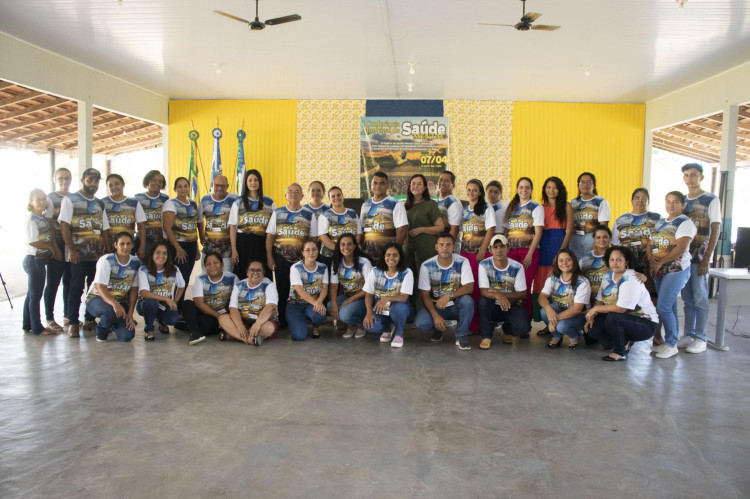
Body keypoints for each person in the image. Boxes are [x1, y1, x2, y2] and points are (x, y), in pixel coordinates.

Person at [58, 167, 110, 338]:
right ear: (83, 181)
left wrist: (108, 252)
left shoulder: (99, 203)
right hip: (78, 255)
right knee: (76, 288)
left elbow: (104, 229)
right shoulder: (70, 200)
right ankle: (73, 322)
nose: (93, 184)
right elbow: (64, 225)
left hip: (97, 255)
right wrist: (71, 250)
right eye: (90, 180)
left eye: (96, 181)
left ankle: (89, 319)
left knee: (94, 288)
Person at [585, 246, 659, 362]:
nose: (615, 263)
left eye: (619, 260)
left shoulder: (631, 278)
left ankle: (620, 352)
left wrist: (595, 309)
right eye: (612, 259)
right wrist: (592, 316)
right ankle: (624, 341)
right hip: (623, 319)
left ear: (626, 262)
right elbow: (600, 300)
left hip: (645, 323)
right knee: (592, 329)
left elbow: (620, 309)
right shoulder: (607, 276)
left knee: (613, 317)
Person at [646, 191, 696, 359]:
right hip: (659, 270)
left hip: (675, 270)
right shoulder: (661, 222)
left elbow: (680, 248)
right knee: (670, 307)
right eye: (668, 201)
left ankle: (671, 344)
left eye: (675, 202)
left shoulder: (685, 222)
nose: (671, 205)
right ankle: (670, 341)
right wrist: (652, 260)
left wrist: (660, 262)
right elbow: (650, 243)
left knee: (663, 307)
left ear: (683, 205)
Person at [679, 163, 721, 354]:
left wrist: (706, 259)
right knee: (687, 298)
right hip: (684, 259)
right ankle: (688, 333)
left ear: (701, 177)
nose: (690, 179)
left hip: (700, 258)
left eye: (693, 175)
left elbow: (715, 230)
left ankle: (701, 337)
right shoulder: (681, 201)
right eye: (686, 175)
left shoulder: (710, 199)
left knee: (700, 298)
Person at [266, 183, 318, 327]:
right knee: (282, 290)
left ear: (302, 195)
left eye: (297, 192)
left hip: (303, 261)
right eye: (290, 192)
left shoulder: (309, 214)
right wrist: (269, 257)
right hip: (281, 258)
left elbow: (313, 238)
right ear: (286, 196)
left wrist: (311, 258)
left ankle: (304, 318)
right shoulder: (278, 213)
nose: (294, 194)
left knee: (302, 289)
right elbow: (270, 236)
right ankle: (282, 320)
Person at [415, 233, 475, 350]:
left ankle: (462, 335)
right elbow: (425, 296)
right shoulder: (426, 266)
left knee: (467, 301)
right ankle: (438, 328)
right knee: (421, 323)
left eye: (448, 245)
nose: (444, 248)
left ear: (454, 247)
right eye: (441, 245)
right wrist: (435, 316)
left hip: (455, 305)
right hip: (436, 305)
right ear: (436, 247)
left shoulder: (463, 262)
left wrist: (449, 296)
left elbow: (469, 287)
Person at [85, 232, 140, 342]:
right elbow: (101, 287)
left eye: (128, 244)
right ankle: (101, 331)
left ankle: (112, 323)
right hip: (97, 299)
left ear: (132, 245)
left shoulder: (136, 262)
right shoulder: (107, 260)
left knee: (127, 336)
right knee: (109, 312)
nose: (125, 247)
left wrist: (130, 314)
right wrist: (115, 305)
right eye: (122, 244)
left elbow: (134, 289)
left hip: (120, 302)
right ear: (115, 245)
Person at [477, 234, 530, 349]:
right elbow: (484, 291)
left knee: (523, 327)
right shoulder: (484, 265)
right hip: (492, 305)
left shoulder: (517, 267)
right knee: (482, 302)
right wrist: (498, 296)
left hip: (510, 304)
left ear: (508, 248)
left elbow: (522, 293)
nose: (499, 250)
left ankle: (508, 331)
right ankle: (486, 336)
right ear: (490, 250)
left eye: (502, 246)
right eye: (495, 247)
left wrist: (500, 295)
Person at [534, 176, 574, 328]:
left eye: (554, 187)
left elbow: (569, 231)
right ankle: (546, 324)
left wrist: (560, 254)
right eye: (548, 187)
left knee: (559, 285)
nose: (551, 190)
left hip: (560, 247)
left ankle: (559, 322)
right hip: (544, 247)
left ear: (560, 190)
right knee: (543, 285)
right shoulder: (540, 208)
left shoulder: (566, 206)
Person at [504, 177, 543, 321]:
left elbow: (538, 233)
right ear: (517, 189)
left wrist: (529, 255)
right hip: (512, 252)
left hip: (528, 252)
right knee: (511, 286)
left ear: (532, 190)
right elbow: (508, 231)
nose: (524, 190)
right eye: (521, 187)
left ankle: (526, 322)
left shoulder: (535, 207)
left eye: (527, 187)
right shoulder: (512, 207)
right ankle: (511, 320)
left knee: (524, 288)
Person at [404, 174, 444, 309]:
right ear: (409, 187)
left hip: (426, 249)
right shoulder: (404, 206)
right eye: (413, 183)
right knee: (409, 280)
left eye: (419, 184)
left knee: (426, 280)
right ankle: (411, 312)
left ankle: (427, 311)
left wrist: (421, 229)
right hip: (408, 249)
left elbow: (440, 227)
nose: (416, 186)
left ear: (425, 187)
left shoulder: (430, 204)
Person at [460, 179, 496, 331]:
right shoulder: (465, 210)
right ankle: (469, 323)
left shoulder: (487, 208)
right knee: (467, 287)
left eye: (474, 190)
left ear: (480, 192)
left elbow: (491, 230)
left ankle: (480, 325)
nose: (471, 193)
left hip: (479, 255)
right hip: (465, 254)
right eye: (468, 190)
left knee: (478, 289)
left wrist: (482, 250)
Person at [363, 242, 414, 348]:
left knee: (399, 308)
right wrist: (368, 313)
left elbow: (404, 298)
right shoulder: (375, 271)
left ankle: (399, 333)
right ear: (384, 256)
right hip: (381, 307)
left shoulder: (406, 272)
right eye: (388, 255)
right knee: (369, 326)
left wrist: (386, 298)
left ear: (400, 257)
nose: (391, 258)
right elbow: (368, 294)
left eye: (395, 255)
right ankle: (387, 328)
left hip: (400, 306)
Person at [24, 188, 61, 335]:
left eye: (43, 199)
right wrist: (51, 247)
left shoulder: (42, 217)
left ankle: (27, 324)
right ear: (31, 202)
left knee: (31, 294)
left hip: (39, 260)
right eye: (37, 199)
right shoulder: (31, 219)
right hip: (34, 260)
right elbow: (33, 242)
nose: (41, 202)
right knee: (36, 295)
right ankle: (37, 328)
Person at [182, 251, 238, 346]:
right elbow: (199, 303)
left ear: (222, 264)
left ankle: (187, 325)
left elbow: (236, 301)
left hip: (223, 315)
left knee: (206, 326)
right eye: (208, 264)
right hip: (207, 312)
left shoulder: (232, 278)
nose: (212, 266)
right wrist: (217, 316)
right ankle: (195, 333)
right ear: (205, 266)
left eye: (215, 263)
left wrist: (222, 317)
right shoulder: (200, 279)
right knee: (187, 303)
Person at [538, 249, 590, 350]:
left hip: (579, 315)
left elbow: (577, 309)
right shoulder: (552, 279)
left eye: (568, 260)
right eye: (561, 260)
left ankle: (574, 337)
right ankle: (556, 336)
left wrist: (554, 319)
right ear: (557, 263)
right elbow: (542, 297)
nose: (564, 263)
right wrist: (549, 310)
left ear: (574, 262)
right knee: (544, 311)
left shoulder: (582, 282)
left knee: (561, 326)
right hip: (560, 309)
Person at [229, 169, 276, 280]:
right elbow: (232, 227)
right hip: (243, 243)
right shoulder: (238, 202)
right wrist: (234, 249)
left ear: (260, 182)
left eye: (255, 180)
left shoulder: (269, 202)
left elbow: (275, 226)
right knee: (243, 274)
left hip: (262, 243)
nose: (253, 183)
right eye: (250, 180)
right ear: (246, 182)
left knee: (263, 273)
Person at [219, 260, 279, 346]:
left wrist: (257, 324)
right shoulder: (239, 285)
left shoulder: (269, 285)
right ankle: (248, 339)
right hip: (243, 321)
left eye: (259, 270)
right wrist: (240, 325)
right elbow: (233, 308)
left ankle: (233, 336)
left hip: (263, 322)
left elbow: (270, 307)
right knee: (222, 318)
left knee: (268, 328)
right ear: (247, 272)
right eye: (252, 270)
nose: (255, 272)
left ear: (263, 273)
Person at [162, 177, 200, 313]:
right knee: (181, 278)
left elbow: (193, 227)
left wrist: (196, 248)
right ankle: (175, 307)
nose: (183, 189)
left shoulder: (193, 204)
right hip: (177, 245)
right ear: (175, 189)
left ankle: (179, 306)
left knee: (187, 276)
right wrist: (178, 248)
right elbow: (167, 228)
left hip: (191, 245)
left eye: (185, 186)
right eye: (180, 186)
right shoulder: (171, 203)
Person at [136, 242, 185, 341]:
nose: (161, 256)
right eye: (158, 253)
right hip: (146, 303)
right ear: (152, 254)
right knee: (151, 303)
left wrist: (175, 301)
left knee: (172, 320)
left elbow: (182, 286)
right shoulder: (143, 269)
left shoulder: (174, 270)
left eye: (164, 253)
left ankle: (161, 321)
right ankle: (149, 329)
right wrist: (166, 299)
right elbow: (144, 292)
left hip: (163, 305)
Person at [611, 187, 661, 283]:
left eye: (644, 198)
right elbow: (614, 244)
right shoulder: (621, 220)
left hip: (649, 265)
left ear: (648, 201)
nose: (640, 201)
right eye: (637, 198)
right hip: (627, 265)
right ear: (632, 201)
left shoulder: (657, 219)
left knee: (650, 293)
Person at [43, 167, 72, 331]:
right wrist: (54, 247)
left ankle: (68, 315)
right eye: (61, 178)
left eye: (67, 178)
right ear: (55, 179)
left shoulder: (74, 198)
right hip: (57, 245)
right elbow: (48, 225)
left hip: (72, 245)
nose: (64, 181)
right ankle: (49, 317)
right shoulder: (50, 199)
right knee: (53, 282)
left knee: (69, 280)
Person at [329, 233, 372, 338]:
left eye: (349, 244)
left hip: (363, 298)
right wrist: (334, 303)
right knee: (330, 306)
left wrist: (349, 300)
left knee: (344, 314)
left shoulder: (364, 262)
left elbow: (370, 289)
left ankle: (361, 324)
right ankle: (352, 324)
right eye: (342, 244)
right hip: (348, 295)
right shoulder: (336, 262)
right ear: (339, 247)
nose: (346, 247)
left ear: (354, 246)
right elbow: (334, 286)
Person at [360, 171, 408, 263]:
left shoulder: (395, 204)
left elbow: (402, 229)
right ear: (371, 184)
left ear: (387, 185)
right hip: (367, 255)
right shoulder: (365, 204)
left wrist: (395, 252)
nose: (378, 186)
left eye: (382, 183)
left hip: (387, 257)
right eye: (375, 183)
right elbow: (362, 229)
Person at [286, 239, 329, 341]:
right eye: (307, 250)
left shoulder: (323, 267)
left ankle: (315, 326)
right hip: (295, 304)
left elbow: (325, 287)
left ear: (318, 251)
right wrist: (317, 304)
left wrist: (319, 302)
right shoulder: (295, 268)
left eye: (314, 249)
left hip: (313, 304)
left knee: (318, 314)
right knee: (299, 336)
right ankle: (299, 321)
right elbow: (300, 290)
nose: (311, 253)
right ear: (302, 252)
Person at [198, 174, 237, 272]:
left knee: (227, 281)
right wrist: (202, 237)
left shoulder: (235, 200)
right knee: (206, 279)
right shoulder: (205, 200)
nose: (219, 188)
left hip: (227, 251)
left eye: (223, 186)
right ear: (212, 185)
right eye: (217, 185)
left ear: (227, 186)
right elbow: (199, 220)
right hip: (209, 250)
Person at [318, 185, 362, 271]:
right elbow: (322, 236)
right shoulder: (325, 215)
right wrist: (339, 250)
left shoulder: (352, 213)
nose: (336, 198)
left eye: (338, 195)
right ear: (329, 199)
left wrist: (351, 249)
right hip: (330, 256)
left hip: (350, 255)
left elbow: (359, 233)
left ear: (343, 196)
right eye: (333, 196)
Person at [570, 172, 610, 260]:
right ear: (578, 186)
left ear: (594, 185)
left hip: (591, 237)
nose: (585, 185)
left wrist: (596, 243)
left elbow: (603, 226)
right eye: (582, 182)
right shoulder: (573, 202)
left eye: (588, 182)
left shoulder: (601, 202)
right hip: (574, 238)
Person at [103, 173, 146, 254]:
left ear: (123, 184)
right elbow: (103, 229)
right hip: (111, 248)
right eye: (110, 185)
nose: (114, 187)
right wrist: (107, 248)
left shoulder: (134, 203)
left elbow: (141, 226)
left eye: (117, 184)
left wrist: (142, 247)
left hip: (129, 248)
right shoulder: (102, 203)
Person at [134, 170, 169, 261]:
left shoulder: (165, 199)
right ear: (148, 181)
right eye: (154, 180)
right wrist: (142, 246)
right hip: (145, 241)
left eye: (160, 181)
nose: (157, 183)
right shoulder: (138, 198)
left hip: (161, 240)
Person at [435, 171, 463, 242]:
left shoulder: (453, 202)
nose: (442, 183)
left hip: (448, 248)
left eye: (446, 181)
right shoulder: (437, 201)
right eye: (440, 180)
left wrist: (447, 247)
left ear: (453, 185)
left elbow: (454, 230)